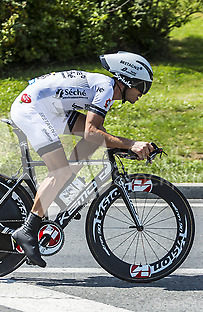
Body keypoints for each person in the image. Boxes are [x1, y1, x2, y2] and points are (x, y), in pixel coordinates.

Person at [10, 51, 155, 267]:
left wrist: (126, 148)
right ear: (127, 80)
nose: (143, 93)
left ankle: (64, 184)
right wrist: (131, 143)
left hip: (50, 109)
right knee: (60, 170)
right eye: (142, 86)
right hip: (32, 109)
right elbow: (91, 132)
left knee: (91, 144)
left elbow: (97, 136)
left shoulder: (105, 87)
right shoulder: (106, 88)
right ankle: (28, 230)